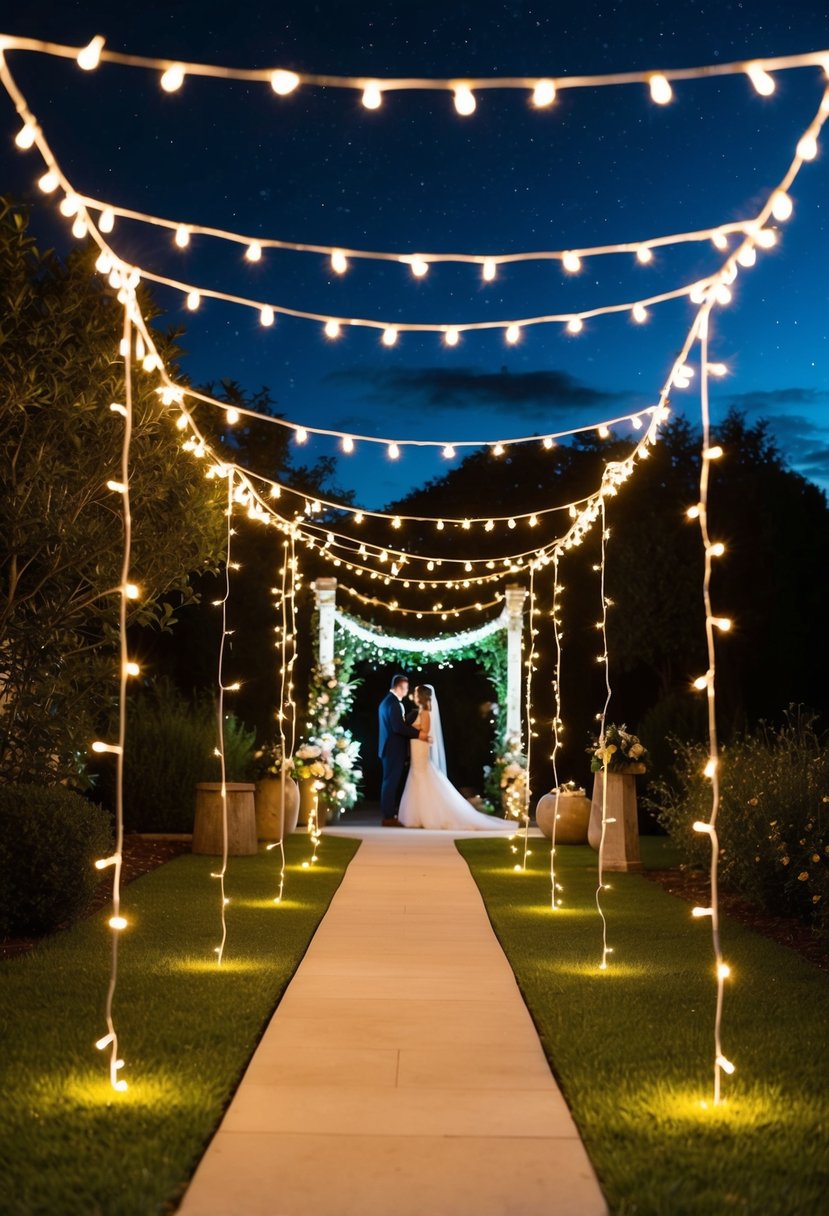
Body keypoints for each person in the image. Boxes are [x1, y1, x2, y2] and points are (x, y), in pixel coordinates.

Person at [399, 684, 515, 831]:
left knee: (423, 777)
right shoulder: (421, 711)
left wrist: (407, 729)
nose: (414, 697)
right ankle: (418, 814)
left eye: (416, 694)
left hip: (420, 749)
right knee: (417, 777)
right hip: (416, 749)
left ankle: (429, 814)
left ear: (422, 696)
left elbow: (426, 731)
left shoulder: (426, 712)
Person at [377, 673, 431, 827]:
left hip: (388, 748)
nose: (407, 692)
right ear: (400, 687)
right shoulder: (393, 703)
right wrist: (419, 734)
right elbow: (397, 727)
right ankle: (388, 817)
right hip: (393, 749)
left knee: (389, 781)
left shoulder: (387, 701)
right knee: (390, 782)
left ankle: (389, 814)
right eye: (406, 688)